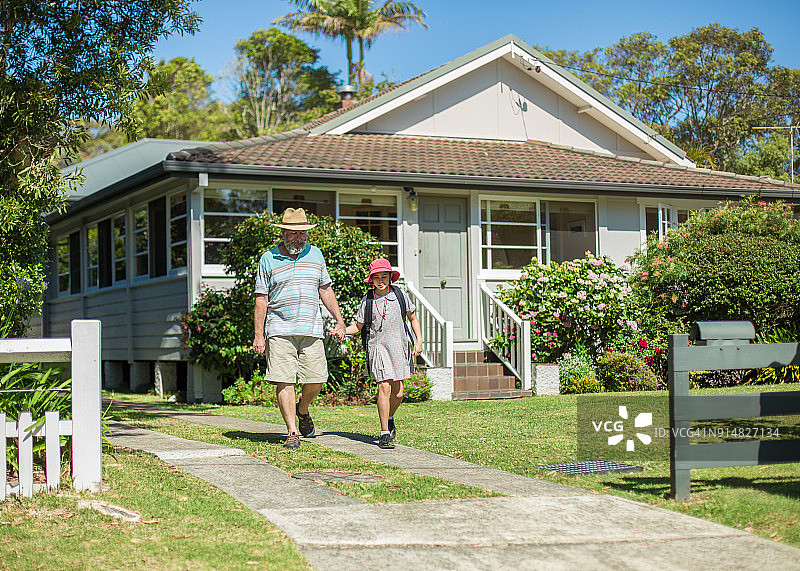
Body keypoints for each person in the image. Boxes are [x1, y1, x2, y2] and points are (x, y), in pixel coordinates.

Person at [252, 208, 345, 449]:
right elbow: (261, 298)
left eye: (302, 233)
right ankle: (292, 431)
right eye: (294, 233)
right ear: (283, 232)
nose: (299, 238)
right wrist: (258, 335)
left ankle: (302, 410)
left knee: (317, 378)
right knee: (284, 380)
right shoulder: (268, 258)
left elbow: (325, 289)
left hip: (311, 328)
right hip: (279, 328)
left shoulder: (316, 255)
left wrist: (339, 319)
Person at [345, 258, 423, 449]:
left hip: (399, 346)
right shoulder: (368, 300)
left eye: (384, 276)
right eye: (376, 277)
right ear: (371, 279)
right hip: (377, 347)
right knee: (384, 387)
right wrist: (342, 330)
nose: (381, 280)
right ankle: (384, 433)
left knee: (398, 394)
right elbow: (357, 326)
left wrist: (419, 340)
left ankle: (389, 417)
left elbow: (412, 318)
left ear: (390, 277)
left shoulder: (400, 295)